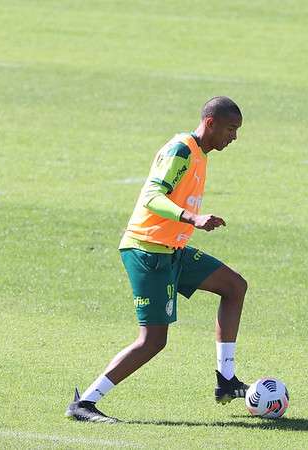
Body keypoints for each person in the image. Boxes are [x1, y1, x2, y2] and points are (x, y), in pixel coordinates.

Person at [66, 96, 249, 423]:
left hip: (173, 250)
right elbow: (152, 197)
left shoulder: (200, 154)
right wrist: (191, 218)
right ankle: (85, 404)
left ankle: (226, 380)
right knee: (153, 341)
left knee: (234, 286)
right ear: (210, 124)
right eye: (230, 129)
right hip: (147, 250)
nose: (233, 137)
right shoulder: (181, 151)